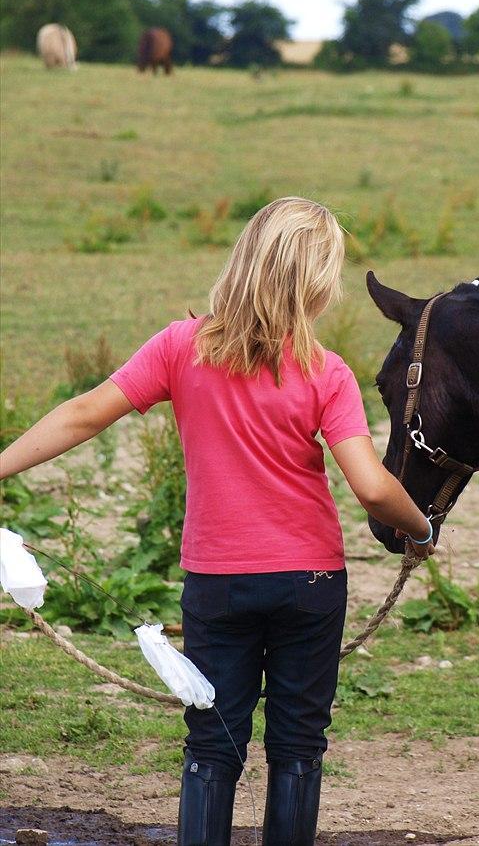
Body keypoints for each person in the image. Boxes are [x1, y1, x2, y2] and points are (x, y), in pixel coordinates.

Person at [0, 197, 435, 846]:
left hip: (217, 582)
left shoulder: (180, 347)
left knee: (211, 745)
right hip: (310, 584)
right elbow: (371, 488)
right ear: (316, 283)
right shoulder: (326, 372)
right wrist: (421, 529)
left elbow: (86, 414)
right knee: (297, 750)